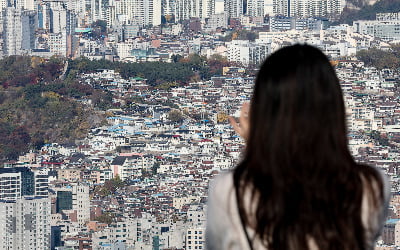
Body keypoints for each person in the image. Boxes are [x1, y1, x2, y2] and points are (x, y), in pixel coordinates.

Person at [205, 44, 389, 250]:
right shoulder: (371, 187)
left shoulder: (229, 192)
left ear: (264, 109)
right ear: (333, 108)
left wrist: (256, 144)